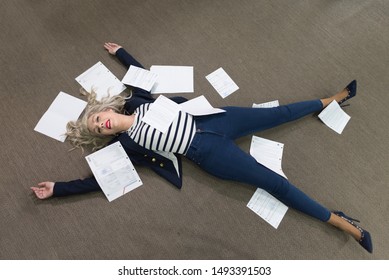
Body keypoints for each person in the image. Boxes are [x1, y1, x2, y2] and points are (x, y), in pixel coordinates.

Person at [31, 42, 373, 254]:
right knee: (274, 183)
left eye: (97, 117)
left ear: (107, 110)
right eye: (95, 129)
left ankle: (332, 100)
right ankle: (343, 223)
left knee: (276, 114)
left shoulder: (136, 101)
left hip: (215, 120)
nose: (100, 123)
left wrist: (121, 53)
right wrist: (58, 189)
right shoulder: (127, 145)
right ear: (102, 135)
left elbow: (141, 74)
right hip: (207, 154)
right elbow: (96, 180)